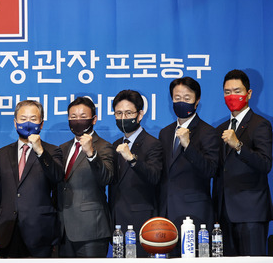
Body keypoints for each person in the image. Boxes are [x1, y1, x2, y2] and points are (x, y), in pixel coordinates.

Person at [0, 100, 63, 258]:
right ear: (15, 123)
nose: (27, 123)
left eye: (33, 119)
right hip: (7, 231)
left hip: (40, 231)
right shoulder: (2, 153)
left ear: (41, 124)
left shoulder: (52, 150)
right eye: (23, 119)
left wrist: (40, 151)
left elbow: (57, 177)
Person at [213, 69, 272, 256]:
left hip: (251, 214)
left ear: (249, 93)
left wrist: (238, 146)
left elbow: (265, 164)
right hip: (223, 214)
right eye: (227, 92)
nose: (232, 96)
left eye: (237, 91)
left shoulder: (260, 124)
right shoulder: (220, 129)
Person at [158, 77, 219, 256]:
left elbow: (211, 170)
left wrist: (188, 146)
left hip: (194, 214)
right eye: (177, 98)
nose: (181, 102)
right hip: (166, 214)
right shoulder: (165, 132)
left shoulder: (208, 132)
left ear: (197, 100)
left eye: (187, 98)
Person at [57, 97, 113, 258]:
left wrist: (91, 154)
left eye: (83, 116)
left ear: (93, 119)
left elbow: (106, 178)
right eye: (73, 117)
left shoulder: (104, 146)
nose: (77, 120)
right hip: (63, 231)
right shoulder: (63, 148)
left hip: (91, 230)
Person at [108, 90, 163, 257]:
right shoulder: (115, 144)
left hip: (141, 225)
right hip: (117, 224)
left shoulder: (153, 144)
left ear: (140, 115)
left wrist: (132, 159)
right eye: (119, 113)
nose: (123, 117)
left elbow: (154, 176)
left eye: (128, 113)